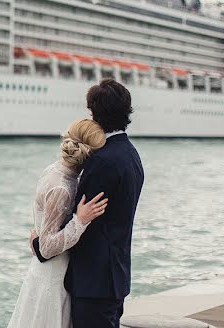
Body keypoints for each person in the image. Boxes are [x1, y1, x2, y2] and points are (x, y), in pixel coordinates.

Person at [34, 79, 144, 328]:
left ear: (94, 114)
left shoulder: (102, 161)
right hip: (115, 276)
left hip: (94, 281)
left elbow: (80, 220)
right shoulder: (131, 154)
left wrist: (39, 242)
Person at [6, 118, 109, 328]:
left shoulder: (53, 170)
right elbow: (47, 246)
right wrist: (80, 221)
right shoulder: (62, 188)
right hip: (53, 276)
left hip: (46, 272)